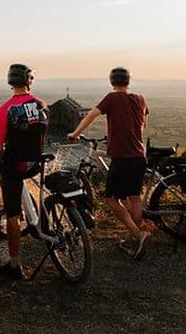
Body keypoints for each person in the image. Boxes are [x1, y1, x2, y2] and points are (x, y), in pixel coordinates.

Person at [68, 66, 150, 259]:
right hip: (139, 156)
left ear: (112, 82)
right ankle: (135, 239)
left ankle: (139, 234)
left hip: (122, 158)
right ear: (128, 81)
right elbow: (143, 124)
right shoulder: (140, 98)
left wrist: (75, 134)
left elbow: (91, 115)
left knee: (111, 199)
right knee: (134, 198)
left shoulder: (112, 98)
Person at [0, 63, 48, 280]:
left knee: (12, 215)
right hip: (36, 163)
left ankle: (15, 264)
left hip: (16, 166)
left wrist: (1, 151)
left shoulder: (5, 110)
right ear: (29, 81)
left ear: (10, 82)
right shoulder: (42, 104)